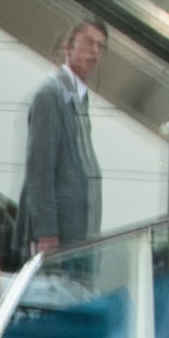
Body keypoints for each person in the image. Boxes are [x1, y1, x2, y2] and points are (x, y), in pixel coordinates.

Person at [20, 20, 106, 258]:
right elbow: (40, 170)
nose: (95, 51)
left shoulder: (77, 97)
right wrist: (46, 232)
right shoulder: (50, 96)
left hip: (80, 232)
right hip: (60, 238)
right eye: (89, 43)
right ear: (68, 46)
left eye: (101, 46)